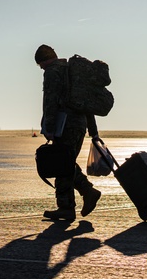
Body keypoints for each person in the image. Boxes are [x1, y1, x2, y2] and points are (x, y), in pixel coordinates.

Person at [35, 44, 102, 221]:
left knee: (62, 165)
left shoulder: (52, 71)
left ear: (44, 60)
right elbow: (86, 102)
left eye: (40, 64)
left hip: (64, 125)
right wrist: (92, 130)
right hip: (79, 124)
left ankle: (69, 206)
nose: (41, 68)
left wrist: (48, 127)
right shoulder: (73, 72)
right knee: (66, 162)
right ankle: (86, 193)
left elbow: (50, 100)